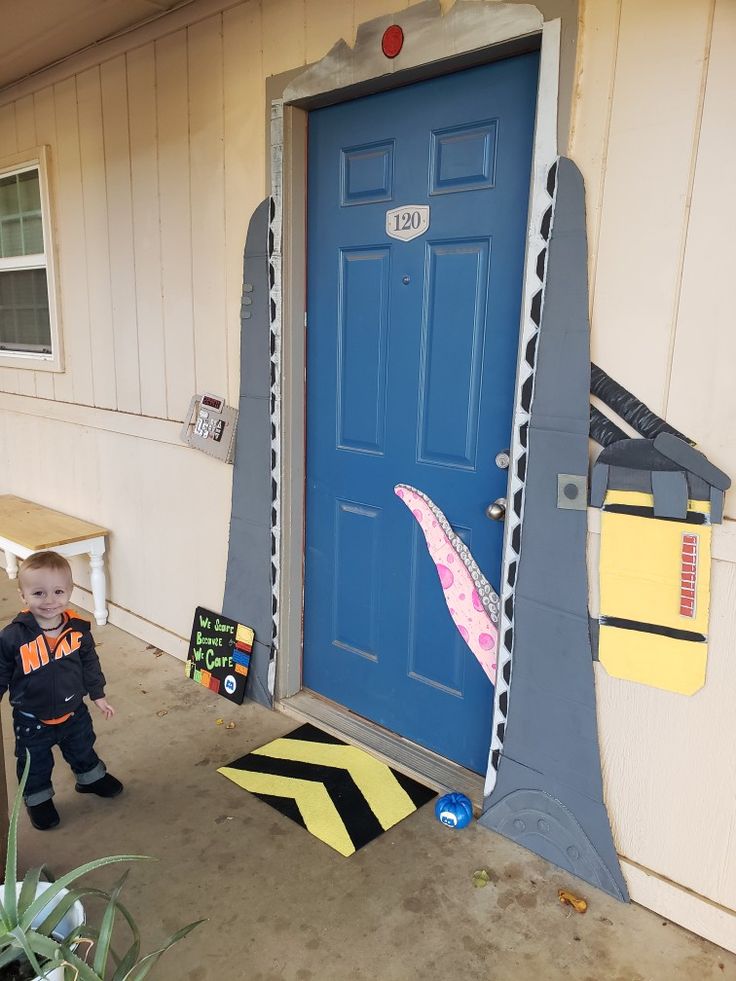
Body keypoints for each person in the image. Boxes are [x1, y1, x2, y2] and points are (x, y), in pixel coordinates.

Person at [0, 550, 123, 830]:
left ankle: (90, 778)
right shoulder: (12, 637)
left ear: (70, 591)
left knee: (82, 747)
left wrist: (98, 695)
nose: (50, 601)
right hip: (31, 719)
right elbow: (1, 671)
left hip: (74, 711)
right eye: (39, 593)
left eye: (58, 591)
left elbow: (90, 663)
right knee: (35, 764)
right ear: (23, 596)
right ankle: (38, 799)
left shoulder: (78, 630)